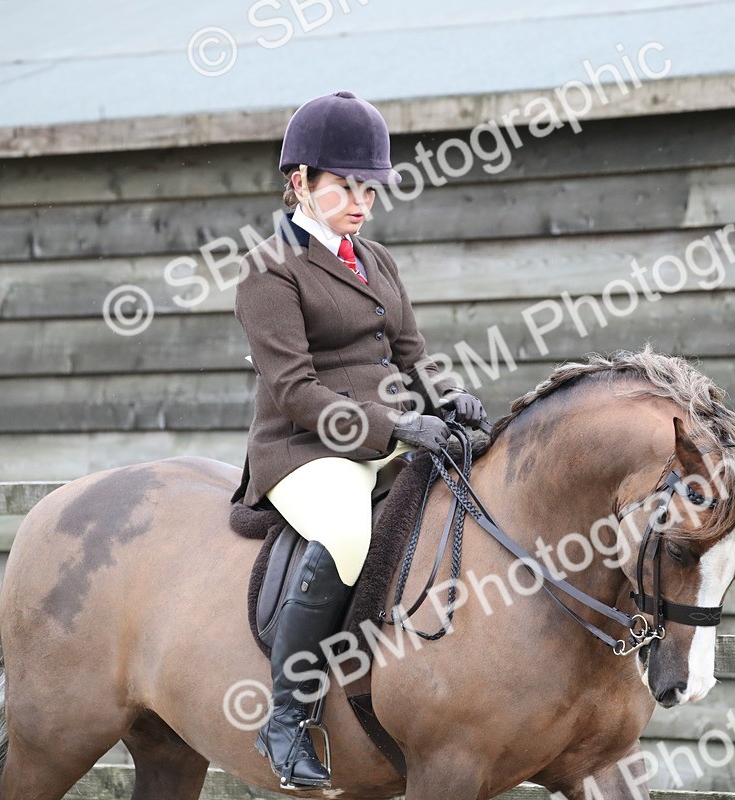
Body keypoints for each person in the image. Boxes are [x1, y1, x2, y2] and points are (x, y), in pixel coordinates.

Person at [228, 90, 487, 790]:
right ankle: (285, 721)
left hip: (387, 435)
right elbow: (295, 389)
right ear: (300, 182)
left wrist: (448, 397)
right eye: (345, 187)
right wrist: (396, 427)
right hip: (305, 448)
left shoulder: (375, 259)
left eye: (369, 189)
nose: (361, 202)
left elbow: (411, 354)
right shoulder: (268, 268)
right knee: (346, 533)